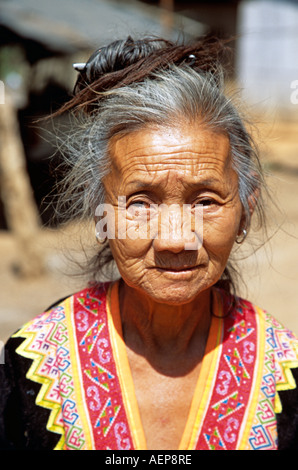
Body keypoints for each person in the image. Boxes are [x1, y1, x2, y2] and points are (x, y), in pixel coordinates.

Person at [1, 35, 298, 451]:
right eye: (140, 203)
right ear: (101, 211)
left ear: (244, 208)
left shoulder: (285, 370)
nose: (176, 240)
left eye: (206, 201)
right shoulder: (31, 363)